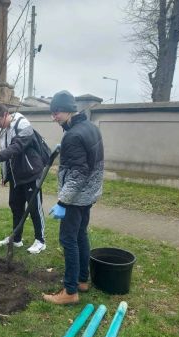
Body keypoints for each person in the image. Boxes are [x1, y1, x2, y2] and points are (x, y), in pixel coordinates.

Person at [43, 90, 104, 305]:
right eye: (52, 112)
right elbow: (90, 163)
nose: (54, 117)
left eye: (57, 112)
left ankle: (70, 291)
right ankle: (82, 280)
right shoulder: (90, 128)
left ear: (69, 110)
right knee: (80, 235)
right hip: (89, 195)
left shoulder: (73, 135)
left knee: (68, 239)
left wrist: (62, 202)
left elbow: (78, 174)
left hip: (75, 198)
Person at [0, 102, 46, 254]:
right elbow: (6, 153)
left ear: (6, 115)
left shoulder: (23, 124)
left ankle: (40, 240)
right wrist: (4, 176)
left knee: (34, 208)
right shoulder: (3, 130)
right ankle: (16, 239)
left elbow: (17, 147)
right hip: (16, 176)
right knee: (16, 206)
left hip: (31, 173)